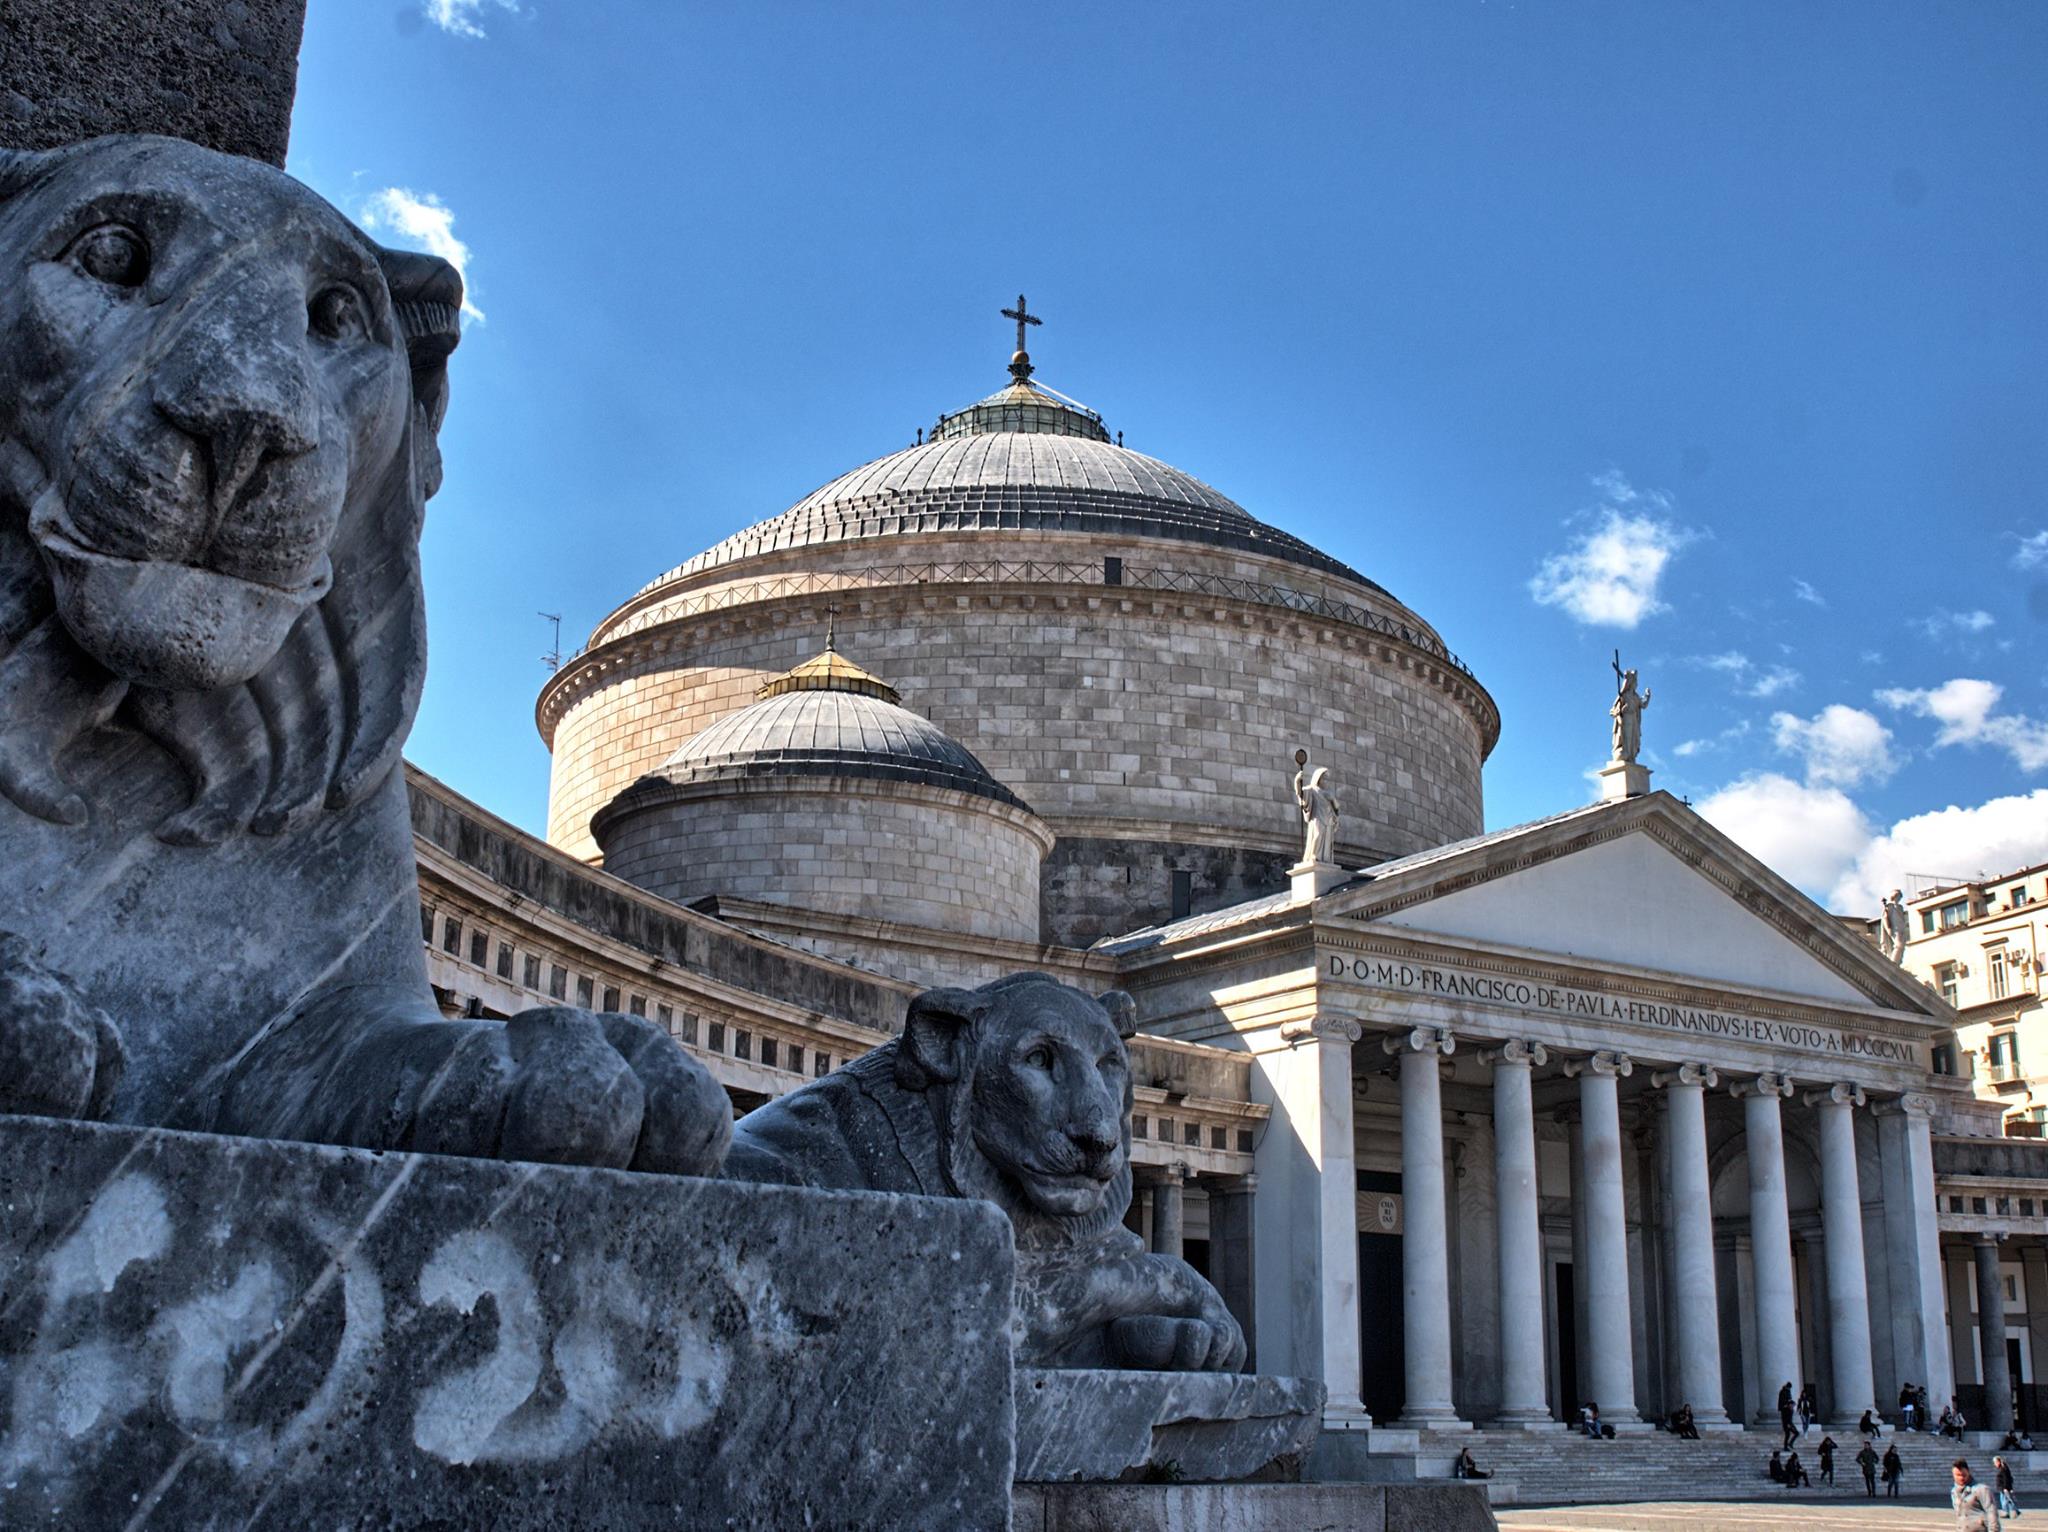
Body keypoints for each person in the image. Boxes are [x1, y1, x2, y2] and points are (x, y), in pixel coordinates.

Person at [1954, 1459, 2003, 1531]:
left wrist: (1994, 1530)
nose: (1961, 1478)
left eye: (1963, 1475)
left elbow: (1991, 1512)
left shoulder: (1982, 1489)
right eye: (1958, 1475)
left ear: (1968, 1472)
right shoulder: (1954, 1491)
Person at [1995, 1455, 2020, 1520]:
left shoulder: (2003, 1469)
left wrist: (2006, 1488)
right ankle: (2016, 1511)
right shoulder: (2003, 1468)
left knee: (2005, 1501)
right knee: (2008, 1500)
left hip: (2004, 1488)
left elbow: (2006, 1479)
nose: (1995, 1464)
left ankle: (2007, 1512)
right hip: (2003, 1487)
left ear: (1998, 1462)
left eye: (1995, 1462)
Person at [1780, 1381, 1797, 1449]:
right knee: (1788, 1434)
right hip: (1787, 1423)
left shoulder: (1790, 1410)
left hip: (1789, 1423)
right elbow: (1785, 1418)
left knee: (1794, 1433)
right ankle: (1786, 1446)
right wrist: (1788, 1424)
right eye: (1792, 1405)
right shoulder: (1786, 1410)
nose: (1793, 1407)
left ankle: (1789, 1444)